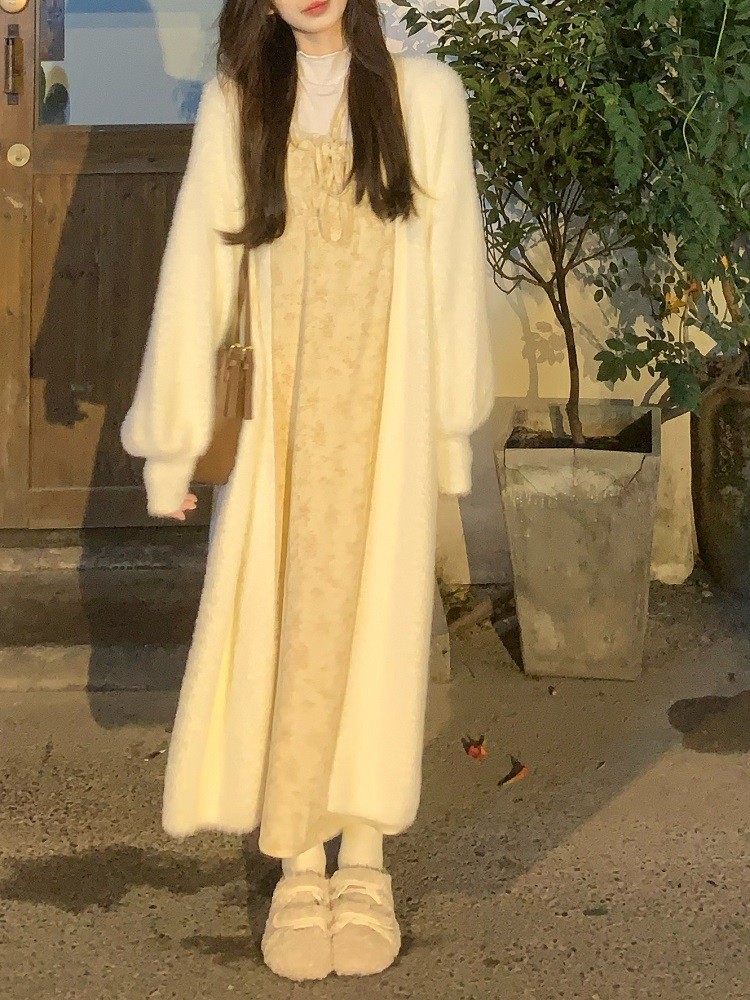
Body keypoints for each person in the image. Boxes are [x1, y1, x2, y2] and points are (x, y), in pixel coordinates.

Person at [120, 0, 494, 982]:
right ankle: (298, 863)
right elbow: (199, 272)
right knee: (283, 631)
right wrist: (173, 445)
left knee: (375, 635)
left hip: (384, 425)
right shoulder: (241, 102)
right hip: (281, 433)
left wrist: (450, 434)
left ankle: (364, 860)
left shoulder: (426, 98)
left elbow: (454, 275)